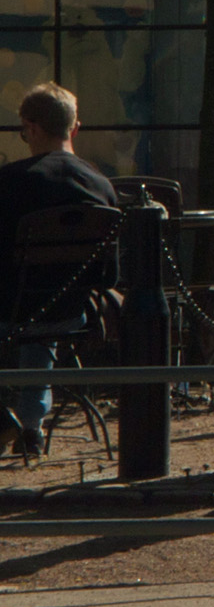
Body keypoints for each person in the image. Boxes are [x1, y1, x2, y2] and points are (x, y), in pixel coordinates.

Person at [0, 84, 116, 458]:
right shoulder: (102, 186)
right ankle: (31, 423)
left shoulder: (12, 182)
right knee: (42, 326)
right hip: (69, 312)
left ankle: (8, 417)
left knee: (24, 310)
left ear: (31, 128)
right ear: (74, 129)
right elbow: (109, 276)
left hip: (9, 310)